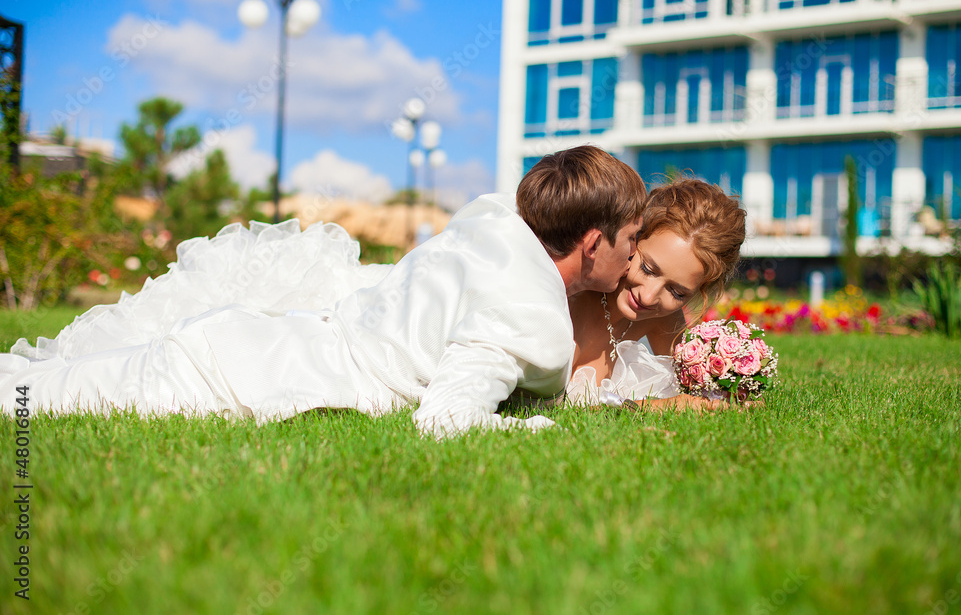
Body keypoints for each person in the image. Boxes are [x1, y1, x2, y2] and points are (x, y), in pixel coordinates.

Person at [0, 145, 645, 438]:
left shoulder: (492, 227)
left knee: (35, 387)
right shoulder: (526, 311)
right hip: (248, 376)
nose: (634, 256)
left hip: (256, 341)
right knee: (29, 398)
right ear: (591, 243)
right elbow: (447, 422)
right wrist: (533, 429)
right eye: (630, 240)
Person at [564, 178, 747, 411]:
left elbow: (696, 394)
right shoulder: (573, 295)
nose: (648, 297)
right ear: (634, 238)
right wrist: (661, 407)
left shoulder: (663, 319)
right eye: (648, 269)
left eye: (676, 292)